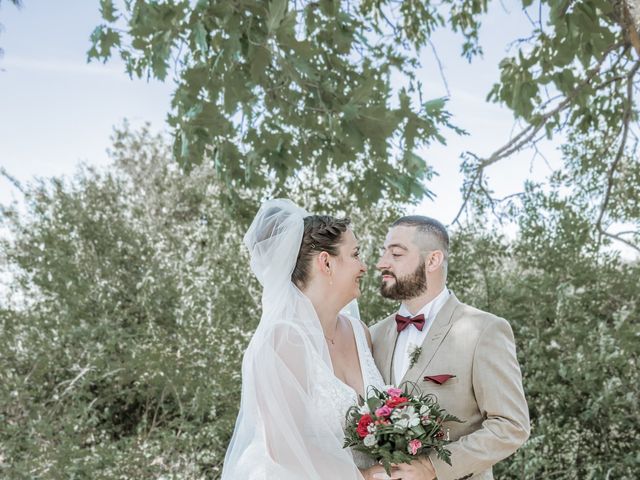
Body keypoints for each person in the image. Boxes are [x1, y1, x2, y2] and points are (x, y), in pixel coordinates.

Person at [221, 199, 386, 480]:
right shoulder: (284, 340)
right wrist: (366, 477)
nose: (364, 267)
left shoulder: (361, 333)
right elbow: (284, 448)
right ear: (326, 262)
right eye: (355, 255)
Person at [370, 216, 530, 480]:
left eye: (396, 253)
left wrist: (434, 467)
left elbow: (511, 426)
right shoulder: (373, 335)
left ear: (433, 260)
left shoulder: (485, 330)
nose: (382, 263)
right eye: (384, 252)